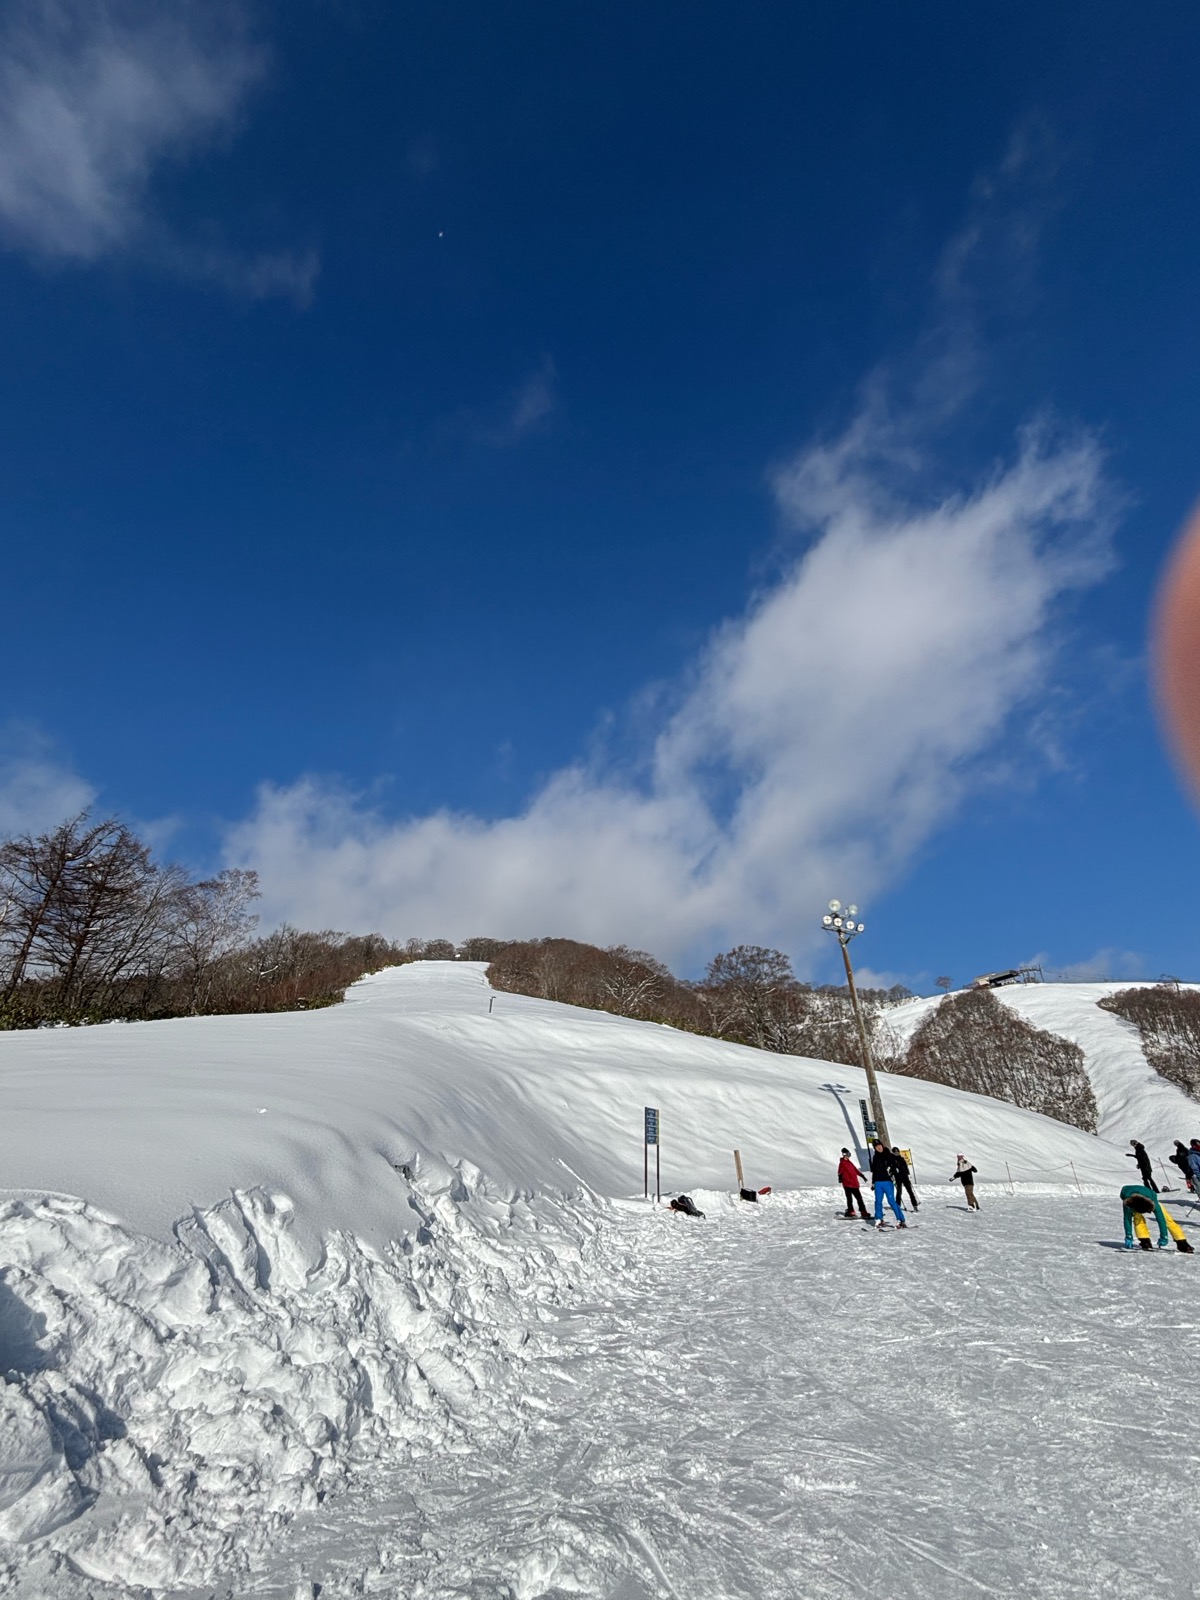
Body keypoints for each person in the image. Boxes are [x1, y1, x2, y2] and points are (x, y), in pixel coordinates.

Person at [1120, 1183, 1194, 1252]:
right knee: (1138, 1219)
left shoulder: (1153, 1203)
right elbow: (1127, 1219)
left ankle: (1182, 1242)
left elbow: (1161, 1220)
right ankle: (1145, 1241)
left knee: (1167, 1219)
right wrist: (1128, 1236)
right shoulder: (1128, 1204)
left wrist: (1164, 1236)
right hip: (1132, 1198)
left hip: (1147, 1196)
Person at [870, 1140, 907, 1228]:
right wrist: (873, 1182)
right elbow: (874, 1171)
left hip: (887, 1182)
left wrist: (892, 1171)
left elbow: (895, 1166)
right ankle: (879, 1219)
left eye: (879, 1145)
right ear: (875, 1148)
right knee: (878, 1201)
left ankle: (900, 1219)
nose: (879, 1147)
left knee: (891, 1201)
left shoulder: (888, 1155)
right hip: (878, 1182)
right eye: (876, 1146)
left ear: (882, 1145)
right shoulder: (875, 1157)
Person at [837, 1148, 869, 1218]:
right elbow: (840, 1171)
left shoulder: (850, 1162)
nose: (846, 1156)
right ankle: (850, 1211)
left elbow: (855, 1170)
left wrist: (862, 1176)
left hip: (854, 1184)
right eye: (845, 1155)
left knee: (859, 1198)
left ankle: (863, 1212)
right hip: (847, 1184)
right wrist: (840, 1177)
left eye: (848, 1155)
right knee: (849, 1198)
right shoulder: (842, 1163)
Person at [890, 1146, 919, 1211]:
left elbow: (906, 1167)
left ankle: (915, 1205)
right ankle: (898, 1205)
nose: (897, 1153)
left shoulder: (902, 1159)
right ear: (893, 1152)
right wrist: (893, 1173)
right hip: (898, 1177)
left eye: (898, 1152)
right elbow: (891, 1169)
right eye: (895, 1152)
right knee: (899, 1191)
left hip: (905, 1176)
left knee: (910, 1191)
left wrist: (908, 1174)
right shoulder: (892, 1159)